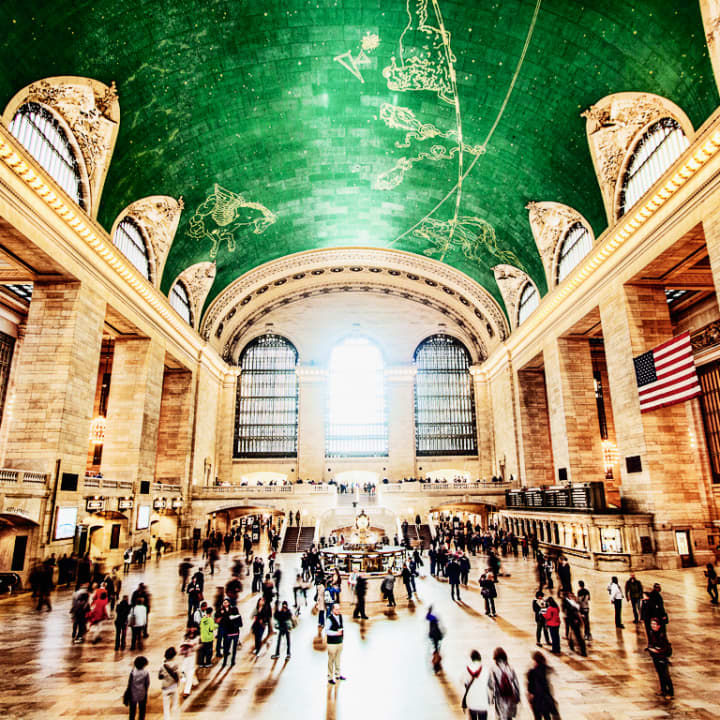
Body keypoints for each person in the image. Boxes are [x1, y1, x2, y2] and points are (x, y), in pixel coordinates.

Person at [488, 647, 521, 720]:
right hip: (510, 696)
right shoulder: (510, 667)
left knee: (501, 716)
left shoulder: (493, 669)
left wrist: (491, 698)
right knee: (509, 716)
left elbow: (490, 684)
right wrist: (518, 696)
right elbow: (516, 683)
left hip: (500, 696)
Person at [646, 617, 674, 699]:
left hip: (662, 656)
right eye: (652, 624)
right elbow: (650, 643)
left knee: (665, 674)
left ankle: (670, 692)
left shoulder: (662, 635)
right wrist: (650, 648)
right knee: (660, 674)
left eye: (655, 624)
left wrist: (657, 650)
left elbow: (664, 647)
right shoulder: (651, 633)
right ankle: (663, 689)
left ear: (659, 626)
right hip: (655, 657)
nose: (653, 626)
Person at [527, 652, 559, 720]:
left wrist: (530, 698)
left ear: (535, 661)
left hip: (537, 700)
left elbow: (530, 688)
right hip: (546, 699)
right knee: (547, 716)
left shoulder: (532, 672)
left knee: (538, 717)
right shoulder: (546, 669)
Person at [461, 649, 490, 720]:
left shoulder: (467, 669)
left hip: (471, 701)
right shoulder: (485, 669)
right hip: (483, 701)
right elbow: (490, 684)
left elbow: (464, 682)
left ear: (471, 658)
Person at [217, 598, 242, 667]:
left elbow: (240, 624)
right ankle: (229, 661)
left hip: (231, 633)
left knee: (229, 648)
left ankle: (228, 662)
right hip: (231, 633)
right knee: (228, 648)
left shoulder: (233, 617)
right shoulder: (225, 613)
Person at [325, 604, 345, 684]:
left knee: (338, 659)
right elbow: (326, 631)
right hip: (332, 643)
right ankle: (330, 677)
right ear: (333, 610)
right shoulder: (329, 619)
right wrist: (336, 633)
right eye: (336, 609)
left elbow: (341, 627)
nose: (338, 611)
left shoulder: (340, 616)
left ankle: (338, 674)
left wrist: (342, 636)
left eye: (339, 609)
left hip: (339, 642)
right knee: (331, 660)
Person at [126, 655, 150, 720]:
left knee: (132, 711)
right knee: (142, 710)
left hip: (133, 694)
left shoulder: (133, 672)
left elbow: (130, 682)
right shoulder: (146, 672)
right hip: (142, 693)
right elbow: (147, 683)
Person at [159, 647, 180, 720]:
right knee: (175, 704)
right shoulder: (176, 664)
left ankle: (167, 718)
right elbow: (179, 674)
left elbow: (159, 677)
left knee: (166, 706)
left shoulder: (162, 665)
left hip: (165, 687)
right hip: (174, 686)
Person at [179, 628, 199, 697]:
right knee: (183, 672)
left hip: (191, 658)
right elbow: (180, 648)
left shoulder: (197, 637)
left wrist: (192, 647)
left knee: (190, 673)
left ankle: (187, 691)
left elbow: (197, 647)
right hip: (184, 658)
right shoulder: (184, 637)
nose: (192, 629)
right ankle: (195, 682)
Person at [426, 606, 444, 673]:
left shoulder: (433, 620)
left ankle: (437, 662)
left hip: (435, 637)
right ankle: (437, 662)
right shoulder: (434, 621)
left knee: (436, 650)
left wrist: (429, 611)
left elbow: (427, 617)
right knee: (436, 650)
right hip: (436, 637)